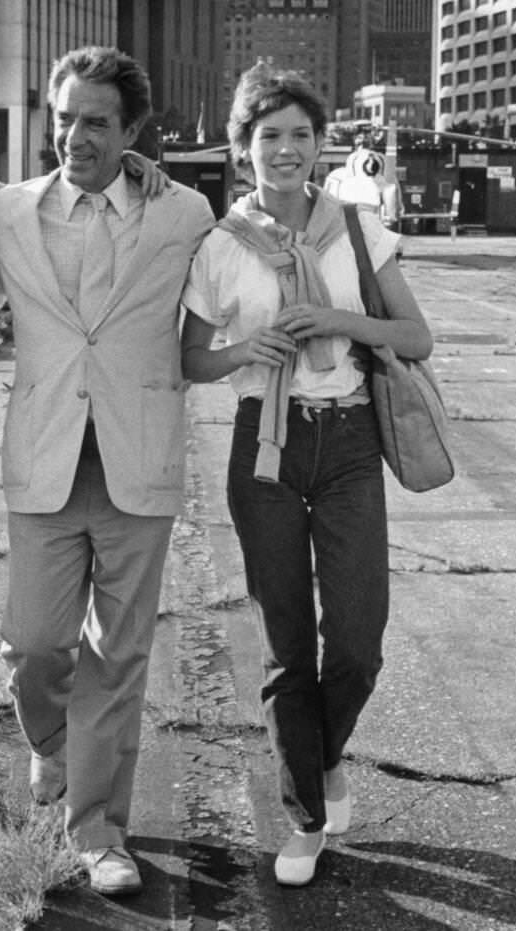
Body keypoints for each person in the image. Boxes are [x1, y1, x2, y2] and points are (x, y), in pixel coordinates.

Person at [179, 63, 433, 887]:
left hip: (350, 438)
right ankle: (305, 816)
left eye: (300, 134)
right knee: (287, 644)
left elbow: (416, 336)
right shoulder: (221, 246)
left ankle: (321, 754)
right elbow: (191, 358)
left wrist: (334, 317)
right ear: (241, 148)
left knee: (357, 639)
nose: (285, 149)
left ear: (321, 144)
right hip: (266, 444)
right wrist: (241, 352)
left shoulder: (356, 230)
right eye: (268, 136)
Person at [0, 46, 215, 896]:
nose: (75, 137)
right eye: (64, 118)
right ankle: (52, 742)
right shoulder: (7, 210)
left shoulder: (185, 213)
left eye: (96, 122)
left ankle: (99, 831)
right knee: (35, 643)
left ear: (131, 131)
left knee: (118, 655)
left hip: (137, 456)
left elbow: (237, 274)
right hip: (44, 454)